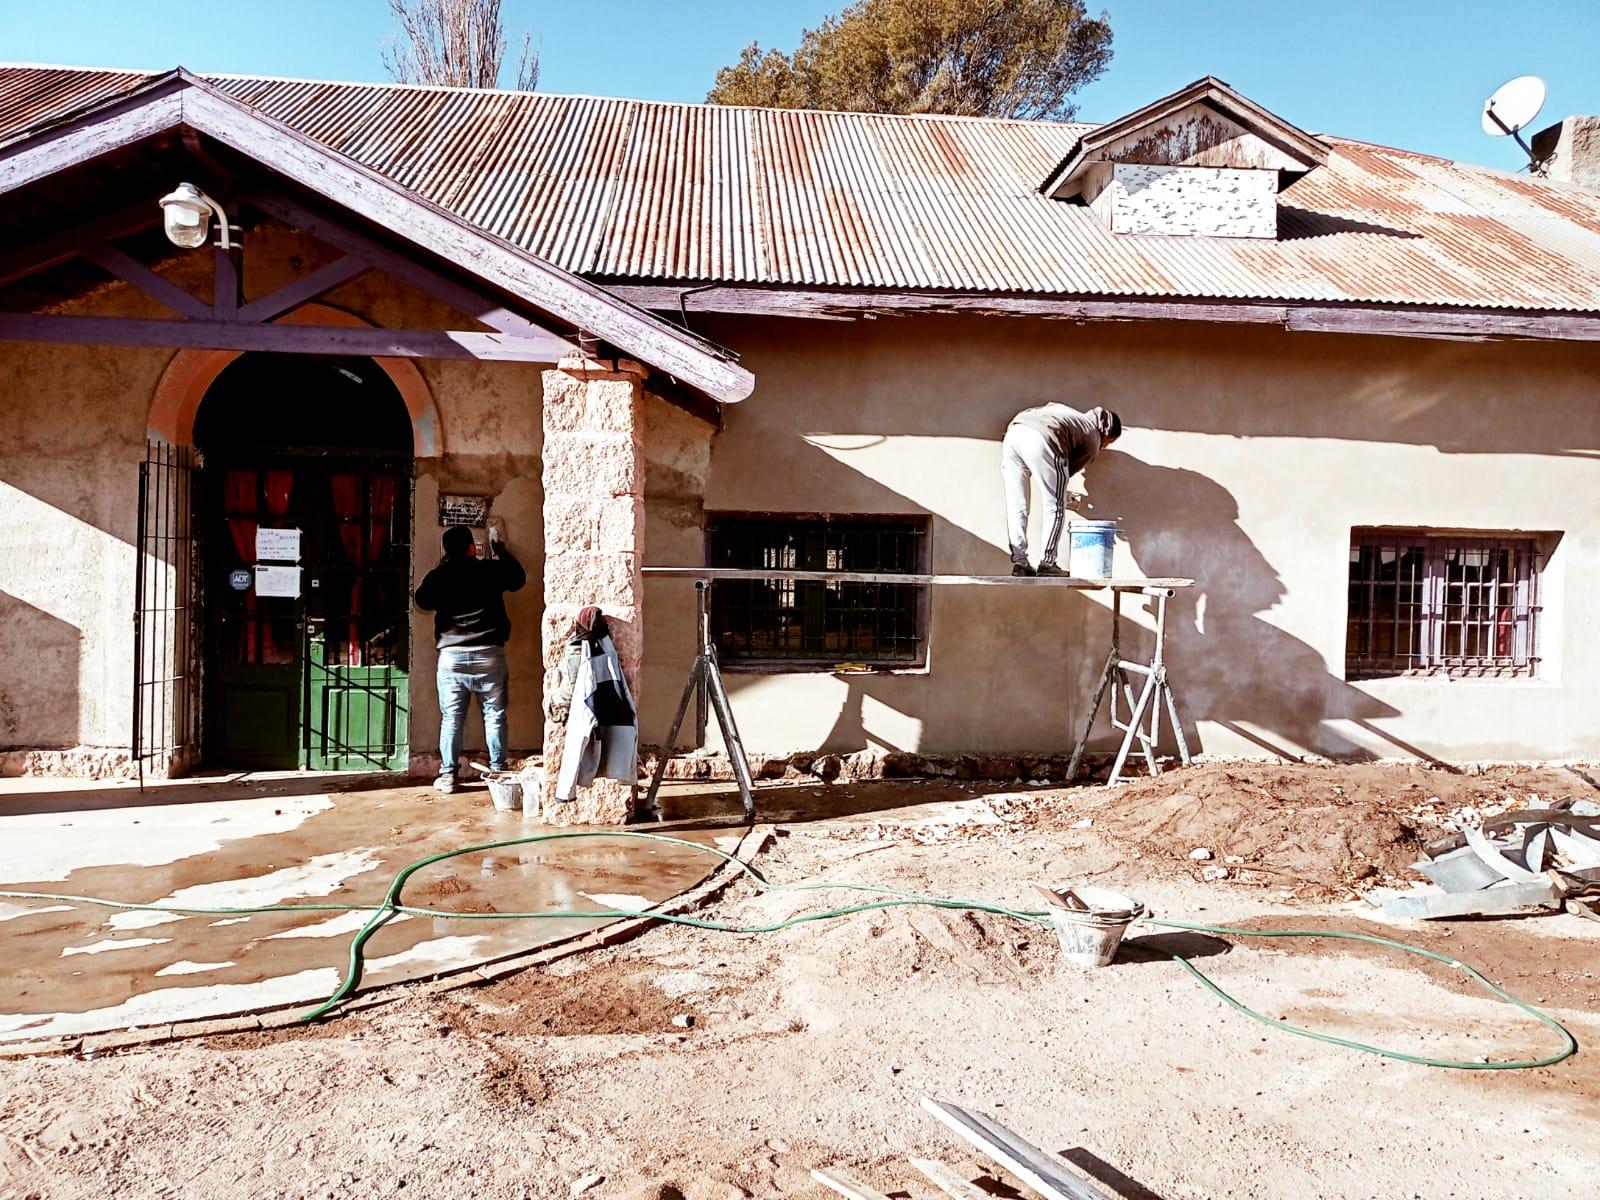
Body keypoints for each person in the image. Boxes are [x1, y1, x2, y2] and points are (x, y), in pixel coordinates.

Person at [414, 525, 526, 793]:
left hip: (451, 658)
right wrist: (500, 549)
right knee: (495, 717)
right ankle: (498, 771)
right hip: (489, 654)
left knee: (452, 718)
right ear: (471, 547)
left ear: (446, 550)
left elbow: (422, 601)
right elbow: (517, 579)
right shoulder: (489, 569)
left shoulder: (440, 575)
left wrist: (442, 567)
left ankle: (448, 776)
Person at [1001, 404, 1121, 577]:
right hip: (1043, 436)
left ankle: (1020, 563)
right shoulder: (1094, 438)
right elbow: (1061, 477)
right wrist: (1066, 497)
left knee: (1017, 504)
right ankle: (1047, 563)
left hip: (1014, 433)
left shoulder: (1070, 414)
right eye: (1108, 443)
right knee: (1055, 506)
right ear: (1106, 432)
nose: (1105, 447)